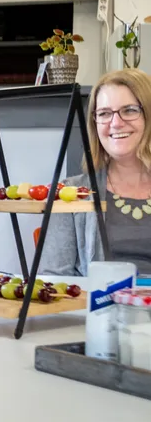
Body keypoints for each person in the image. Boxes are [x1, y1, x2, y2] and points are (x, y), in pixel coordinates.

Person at [41, 69, 151, 276]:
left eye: (129, 110)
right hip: (95, 307)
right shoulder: (69, 194)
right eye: (104, 113)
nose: (116, 123)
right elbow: (54, 279)